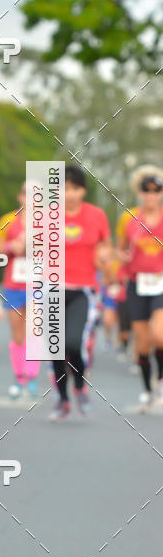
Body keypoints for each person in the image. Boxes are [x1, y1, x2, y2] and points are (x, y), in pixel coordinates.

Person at [49, 165, 111, 421]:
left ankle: (79, 386)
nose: (69, 193)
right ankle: (62, 399)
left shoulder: (96, 216)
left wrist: (106, 260)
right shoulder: (47, 215)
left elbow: (105, 248)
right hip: (52, 288)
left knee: (73, 343)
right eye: (64, 187)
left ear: (83, 190)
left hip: (83, 291)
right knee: (54, 349)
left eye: (75, 188)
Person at [116, 167, 163, 412]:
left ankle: (161, 380)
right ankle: (147, 390)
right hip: (137, 284)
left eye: (157, 191)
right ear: (140, 193)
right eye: (147, 191)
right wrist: (120, 259)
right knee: (143, 344)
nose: (152, 195)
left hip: (161, 284)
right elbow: (119, 249)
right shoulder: (130, 220)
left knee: (160, 334)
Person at [0, 184, 40, 398]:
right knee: (17, 329)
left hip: (37, 282)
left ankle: (31, 375)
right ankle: (18, 375)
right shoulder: (7, 220)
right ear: (20, 196)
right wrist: (14, 246)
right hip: (13, 282)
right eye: (26, 194)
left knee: (34, 328)